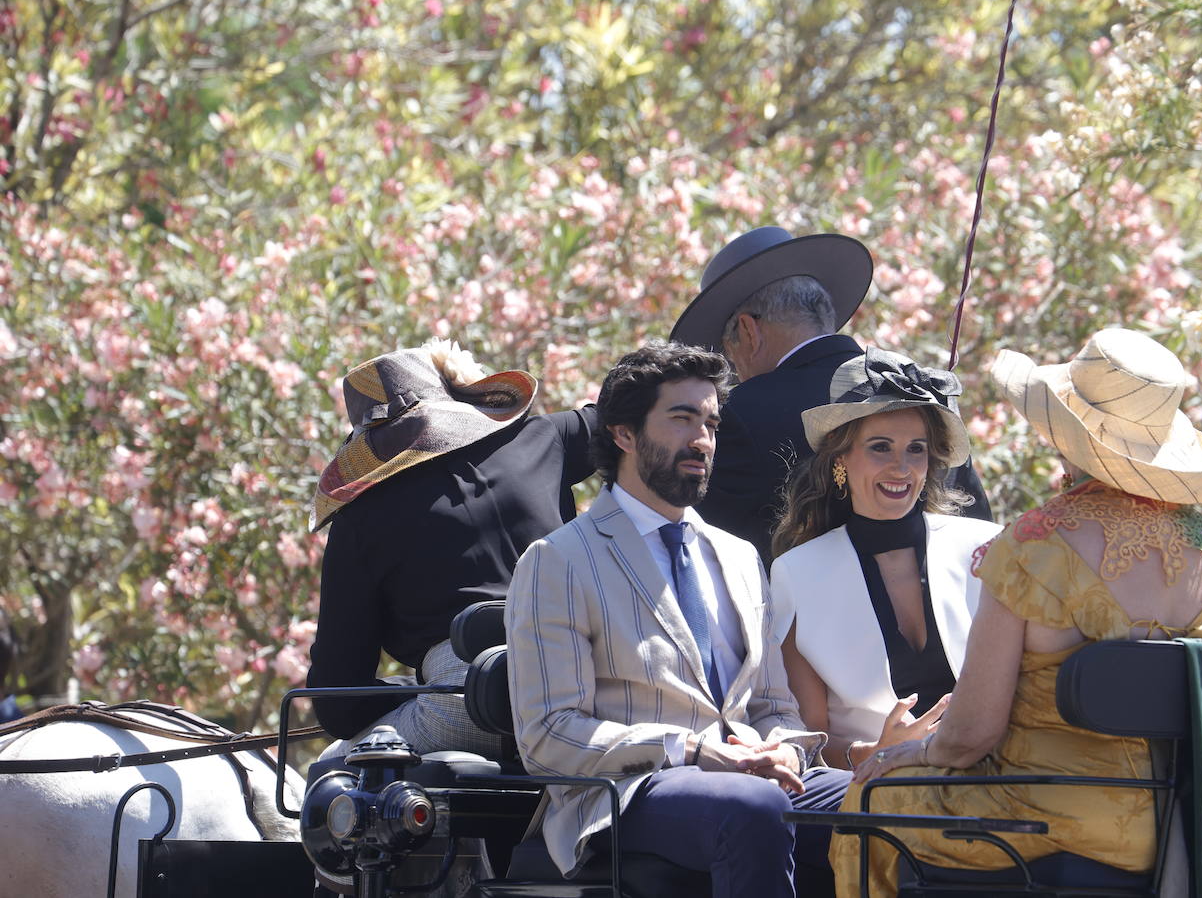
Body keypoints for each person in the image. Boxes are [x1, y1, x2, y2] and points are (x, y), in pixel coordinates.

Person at [830, 328, 1202, 897]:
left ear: (1068, 438)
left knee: (869, 799)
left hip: (1034, 822)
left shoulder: (1035, 545)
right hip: (1181, 828)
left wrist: (916, 750)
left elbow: (971, 736)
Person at [506, 340, 851, 898]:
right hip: (628, 791)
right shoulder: (559, 560)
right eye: (682, 419)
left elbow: (772, 706)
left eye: (711, 423)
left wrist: (784, 748)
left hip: (749, 779)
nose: (703, 440)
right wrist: (688, 749)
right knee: (754, 806)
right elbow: (548, 734)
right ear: (623, 433)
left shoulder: (740, 557)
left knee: (882, 800)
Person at [307, 340, 595, 759]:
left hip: (473, 709)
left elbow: (338, 704)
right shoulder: (543, 437)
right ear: (455, 394)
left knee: (332, 770)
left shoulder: (360, 517)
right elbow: (624, 415)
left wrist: (416, 689)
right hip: (588, 678)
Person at [671, 226, 991, 564]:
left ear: (749, 331)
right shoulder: (919, 389)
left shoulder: (739, 413)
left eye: (729, 349)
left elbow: (702, 553)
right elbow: (977, 532)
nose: (734, 366)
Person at [769, 348, 1002, 773]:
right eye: (880, 447)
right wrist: (875, 750)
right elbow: (805, 737)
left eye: (916, 449)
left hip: (993, 777)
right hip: (877, 788)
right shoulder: (797, 574)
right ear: (841, 460)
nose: (901, 467)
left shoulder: (986, 549)